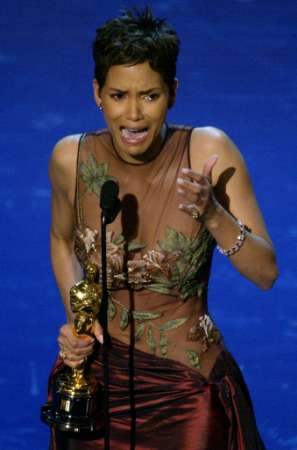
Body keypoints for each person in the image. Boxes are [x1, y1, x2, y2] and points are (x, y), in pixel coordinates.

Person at [47, 7, 278, 450]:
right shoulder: (70, 159)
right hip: (98, 385)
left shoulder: (207, 149)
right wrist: (79, 322)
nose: (132, 115)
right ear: (97, 93)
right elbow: (62, 240)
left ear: (172, 92)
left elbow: (267, 273)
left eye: (149, 96)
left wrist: (213, 214)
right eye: (118, 95)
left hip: (187, 392)